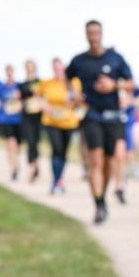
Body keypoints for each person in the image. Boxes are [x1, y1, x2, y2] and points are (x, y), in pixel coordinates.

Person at [66, 20, 134, 224]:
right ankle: (99, 205)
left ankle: (102, 196)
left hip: (113, 115)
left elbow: (131, 83)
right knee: (95, 160)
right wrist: (74, 93)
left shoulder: (115, 58)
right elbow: (67, 79)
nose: (94, 37)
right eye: (90, 33)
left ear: (102, 34)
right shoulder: (79, 60)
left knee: (109, 163)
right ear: (86, 35)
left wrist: (114, 85)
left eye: (97, 33)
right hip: (91, 114)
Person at [36, 58, 82, 195]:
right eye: (55, 68)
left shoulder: (74, 82)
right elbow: (38, 97)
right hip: (51, 121)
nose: (58, 71)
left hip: (69, 121)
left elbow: (79, 100)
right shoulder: (47, 83)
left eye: (60, 68)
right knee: (56, 148)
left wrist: (74, 101)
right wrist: (45, 106)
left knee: (63, 152)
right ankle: (55, 181)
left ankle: (59, 179)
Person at [0, 64, 24, 181]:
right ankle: (14, 168)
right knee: (11, 143)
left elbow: (25, 99)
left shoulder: (19, 86)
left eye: (11, 71)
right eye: (8, 72)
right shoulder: (1, 87)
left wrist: (21, 101)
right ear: (6, 73)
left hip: (18, 119)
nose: (10, 74)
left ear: (14, 72)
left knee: (17, 146)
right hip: (6, 119)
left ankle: (16, 161)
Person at [19, 59, 44, 183]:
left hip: (38, 117)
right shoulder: (22, 84)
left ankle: (36, 163)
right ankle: (32, 168)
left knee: (36, 142)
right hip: (27, 116)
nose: (29, 69)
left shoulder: (41, 83)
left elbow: (45, 97)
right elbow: (20, 100)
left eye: (31, 66)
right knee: (30, 141)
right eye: (27, 67)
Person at [122, 85, 139, 181]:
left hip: (132, 119)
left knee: (134, 144)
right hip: (119, 119)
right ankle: (124, 169)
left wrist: (131, 101)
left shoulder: (133, 86)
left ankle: (132, 165)